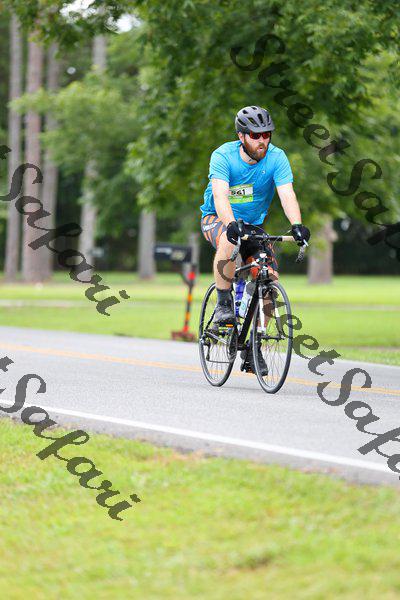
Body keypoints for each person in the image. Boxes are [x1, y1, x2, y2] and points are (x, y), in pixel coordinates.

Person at [200, 105, 310, 374]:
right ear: (242, 136)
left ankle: (253, 344)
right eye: (255, 135)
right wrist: (230, 224)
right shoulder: (223, 156)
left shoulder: (277, 158)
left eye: (266, 134)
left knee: (269, 279)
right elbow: (220, 196)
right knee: (229, 240)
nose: (262, 140)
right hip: (217, 218)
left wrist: (297, 225)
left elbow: (287, 193)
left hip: (253, 225)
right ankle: (224, 304)